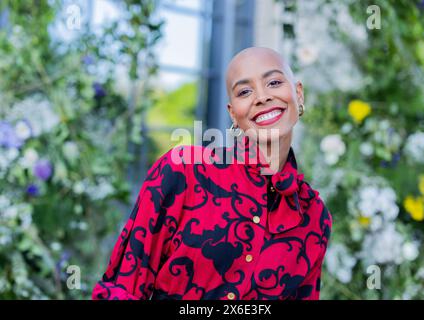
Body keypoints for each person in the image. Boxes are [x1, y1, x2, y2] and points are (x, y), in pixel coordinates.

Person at [92, 47, 332, 300]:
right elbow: (121, 289)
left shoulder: (315, 216)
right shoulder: (182, 171)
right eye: (245, 91)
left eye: (273, 82)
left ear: (298, 93)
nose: (261, 97)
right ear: (233, 113)